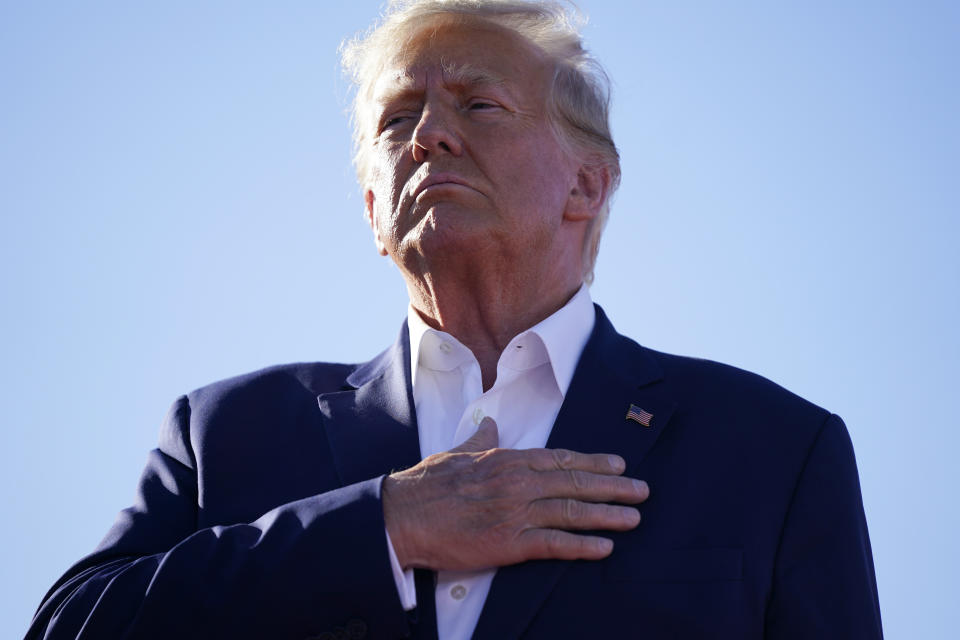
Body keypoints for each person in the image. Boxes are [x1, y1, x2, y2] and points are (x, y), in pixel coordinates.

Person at [26, 1, 883, 638]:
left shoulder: (773, 450)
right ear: (372, 208)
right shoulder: (224, 434)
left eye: (479, 105)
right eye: (398, 120)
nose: (430, 134)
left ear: (587, 184)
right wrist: (386, 526)